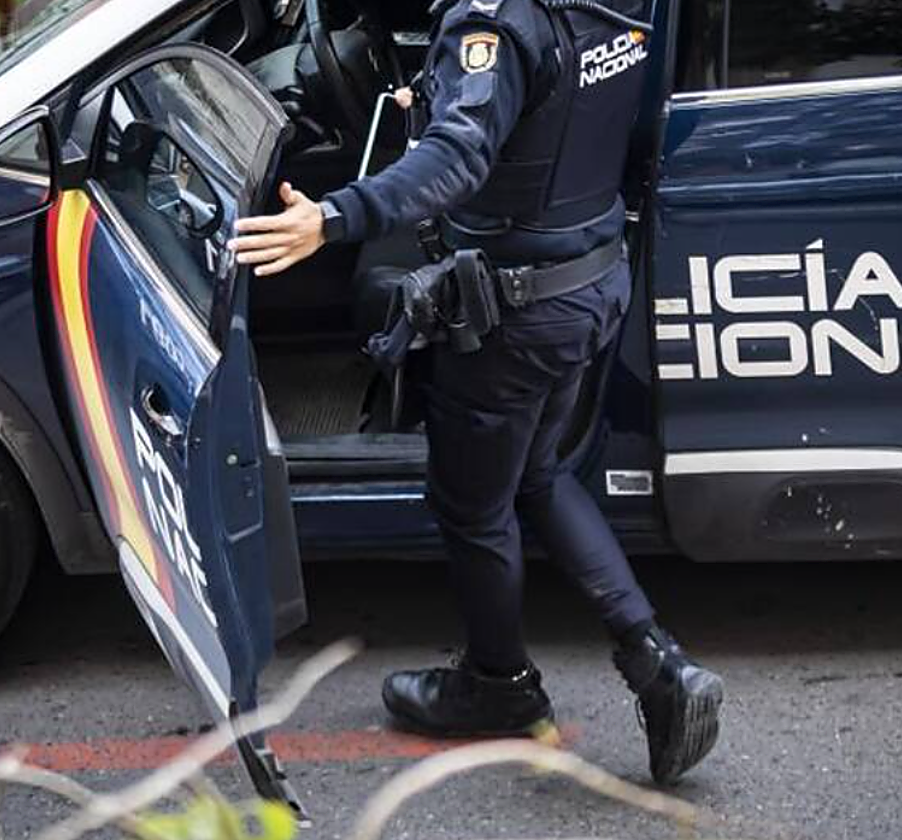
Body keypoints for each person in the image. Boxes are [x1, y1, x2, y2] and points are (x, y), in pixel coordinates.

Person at [229, 0, 723, 785]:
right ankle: (657, 662)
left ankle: (499, 688)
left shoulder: (494, 23)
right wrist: (431, 99)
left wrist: (333, 216)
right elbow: (559, 118)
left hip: (514, 315)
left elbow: (460, 157)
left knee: (471, 504)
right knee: (537, 472)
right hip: (589, 282)